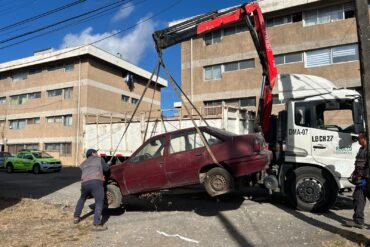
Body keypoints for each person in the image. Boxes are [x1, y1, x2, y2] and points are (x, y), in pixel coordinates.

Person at [73, 148, 110, 231]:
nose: (97, 153)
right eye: (96, 152)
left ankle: (76, 217)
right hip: (96, 182)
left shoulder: (83, 163)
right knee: (99, 202)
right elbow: (106, 169)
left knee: (82, 199)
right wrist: (108, 165)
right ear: (93, 153)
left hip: (84, 183)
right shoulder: (99, 159)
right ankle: (96, 225)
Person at [344, 132, 369, 229]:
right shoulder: (361, 149)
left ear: (364, 138)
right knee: (358, 199)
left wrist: (363, 176)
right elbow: (359, 164)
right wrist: (354, 173)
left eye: (359, 138)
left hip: (366, 179)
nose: (358, 140)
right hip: (361, 180)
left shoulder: (369, 149)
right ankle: (358, 221)